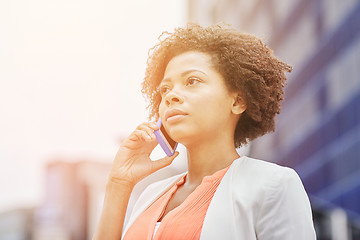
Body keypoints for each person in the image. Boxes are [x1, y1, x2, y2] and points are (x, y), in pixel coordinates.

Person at [93, 23, 316, 240]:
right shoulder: (150, 196)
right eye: (165, 89)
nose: (171, 96)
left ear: (237, 101)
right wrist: (119, 185)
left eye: (192, 81)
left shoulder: (273, 185)